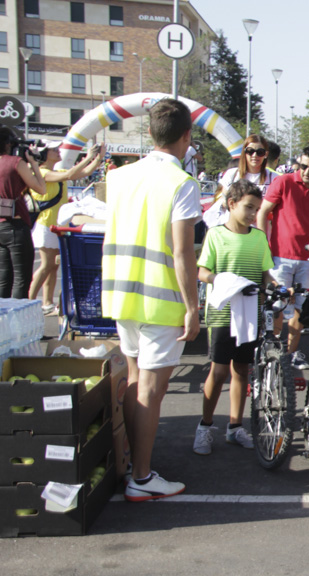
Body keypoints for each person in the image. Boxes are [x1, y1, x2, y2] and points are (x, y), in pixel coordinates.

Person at [102, 99, 201, 500]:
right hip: (160, 300)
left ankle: (128, 462)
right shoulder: (182, 184)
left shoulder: (121, 177)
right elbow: (183, 253)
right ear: (186, 137)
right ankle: (141, 477)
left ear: (150, 134)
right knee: (150, 391)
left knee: (133, 379)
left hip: (121, 291)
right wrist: (193, 307)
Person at [193, 180, 274, 455]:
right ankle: (204, 427)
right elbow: (202, 271)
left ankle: (235, 427)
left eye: (257, 209)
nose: (253, 213)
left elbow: (266, 273)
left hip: (250, 313)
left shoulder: (259, 237)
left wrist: (274, 287)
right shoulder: (215, 235)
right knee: (217, 371)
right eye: (249, 207)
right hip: (222, 313)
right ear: (231, 204)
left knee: (241, 370)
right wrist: (221, 279)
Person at [256, 145, 309, 370]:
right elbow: (263, 212)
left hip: (308, 260)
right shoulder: (284, 182)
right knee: (278, 304)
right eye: (303, 166)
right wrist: (263, 243)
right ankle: (273, 351)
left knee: (300, 308)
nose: (306, 172)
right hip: (280, 256)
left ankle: (291, 354)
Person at [28, 140, 104, 312]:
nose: (58, 151)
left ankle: (47, 303)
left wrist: (97, 158)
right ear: (44, 155)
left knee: (54, 266)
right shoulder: (43, 173)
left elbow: (83, 172)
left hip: (57, 225)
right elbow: (70, 175)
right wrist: (89, 156)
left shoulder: (56, 171)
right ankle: (29, 299)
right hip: (46, 225)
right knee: (46, 265)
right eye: (54, 150)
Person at [0, 128, 47, 298]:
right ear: (8, 144)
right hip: (16, 225)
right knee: (22, 278)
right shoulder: (15, 162)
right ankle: (17, 321)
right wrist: (34, 163)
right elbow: (41, 189)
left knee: (3, 278)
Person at [212, 135, 279, 225]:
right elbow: (224, 201)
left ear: (266, 154)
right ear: (244, 152)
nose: (254, 155)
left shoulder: (275, 178)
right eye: (250, 151)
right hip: (234, 230)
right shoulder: (232, 174)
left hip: (261, 231)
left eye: (260, 152)